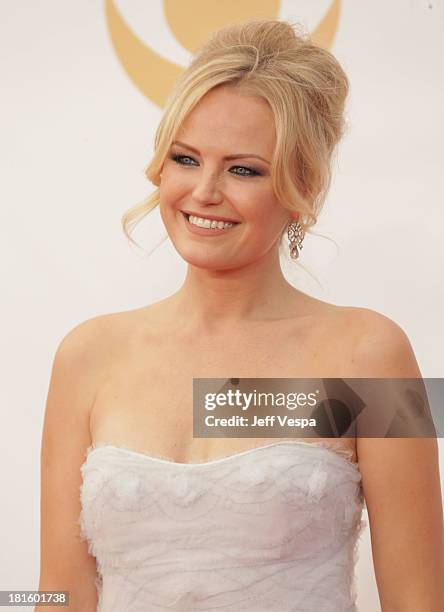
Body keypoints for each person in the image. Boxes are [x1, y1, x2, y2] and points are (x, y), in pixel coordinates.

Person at [37, 18, 444, 612]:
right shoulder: (88, 355)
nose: (203, 191)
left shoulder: (370, 353)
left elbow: (419, 600)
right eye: (185, 158)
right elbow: (57, 594)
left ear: (300, 185)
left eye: (243, 168)